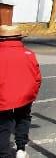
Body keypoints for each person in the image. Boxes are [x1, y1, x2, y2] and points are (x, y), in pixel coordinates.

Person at [0, 25, 42, 158]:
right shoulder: (29, 54)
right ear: (19, 38)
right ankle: (21, 149)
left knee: (3, 125)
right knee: (23, 119)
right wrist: (32, 93)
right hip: (25, 95)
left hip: (2, 97)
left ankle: (4, 154)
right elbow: (37, 77)